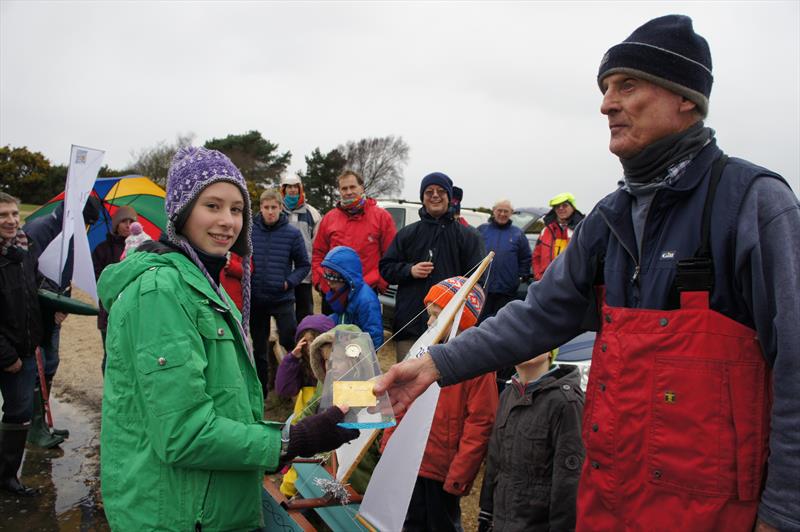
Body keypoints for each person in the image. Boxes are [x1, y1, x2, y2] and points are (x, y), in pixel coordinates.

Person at [375, 15, 800, 532]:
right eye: (604, 89)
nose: (606, 104)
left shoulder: (753, 206)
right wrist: (435, 364)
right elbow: (535, 317)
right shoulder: (609, 219)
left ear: (685, 96)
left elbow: (796, 368)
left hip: (711, 515)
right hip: (608, 506)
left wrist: (783, 513)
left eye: (626, 85)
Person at [96, 146, 358, 531]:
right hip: (178, 513)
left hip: (214, 498)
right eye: (213, 206)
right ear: (182, 212)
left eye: (237, 210)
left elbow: (226, 401)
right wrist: (290, 440)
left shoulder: (205, 282)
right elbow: (183, 432)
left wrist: (300, 427)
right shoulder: (160, 292)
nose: (227, 221)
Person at [382, 277, 497, 531]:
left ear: (458, 318)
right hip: (410, 460)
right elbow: (402, 400)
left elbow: (480, 422)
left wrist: (460, 474)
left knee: (441, 524)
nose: (430, 321)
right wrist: (389, 441)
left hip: (442, 469)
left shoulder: (477, 366)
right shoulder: (423, 352)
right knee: (409, 521)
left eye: (437, 315)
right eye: (430, 314)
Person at [379, 172, 486, 361]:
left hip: (449, 332)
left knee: (444, 386)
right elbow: (386, 268)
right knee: (406, 384)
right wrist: (409, 270)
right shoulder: (407, 234)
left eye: (440, 191)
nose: (435, 195)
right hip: (409, 327)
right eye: (429, 192)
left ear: (449, 197)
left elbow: (478, 281)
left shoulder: (468, 236)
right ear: (422, 198)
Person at [22, 196, 101, 446]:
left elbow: (64, 275)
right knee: (37, 367)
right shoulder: (39, 230)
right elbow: (30, 276)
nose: (86, 229)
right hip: (34, 314)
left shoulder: (71, 235)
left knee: (51, 363)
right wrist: (53, 304)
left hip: (53, 314)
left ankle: (43, 422)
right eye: (86, 223)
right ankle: (32, 428)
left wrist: (63, 303)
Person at [478, 350, 584, 531]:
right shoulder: (508, 395)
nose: (528, 345)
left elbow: (569, 482)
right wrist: (486, 511)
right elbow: (495, 460)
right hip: (502, 522)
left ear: (551, 351)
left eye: (537, 339)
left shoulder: (566, 402)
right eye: (521, 339)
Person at [0, 192, 44, 495]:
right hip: (7, 353)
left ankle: (6, 477)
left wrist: (55, 307)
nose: (12, 220)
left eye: (15, 214)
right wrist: (5, 355)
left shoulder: (24, 250)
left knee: (19, 414)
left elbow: (33, 290)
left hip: (25, 350)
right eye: (3, 215)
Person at [250, 188, 310, 397]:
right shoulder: (249, 230)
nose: (270, 212)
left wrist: (288, 283)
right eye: (266, 208)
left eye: (274, 207)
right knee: (259, 348)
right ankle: (262, 392)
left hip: (282, 297)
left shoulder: (292, 233)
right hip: (257, 299)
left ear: (280, 207)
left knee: (289, 340)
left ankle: (300, 385)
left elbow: (304, 264)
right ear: (260, 208)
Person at [312, 170, 396, 308]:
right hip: (333, 294)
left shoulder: (382, 217)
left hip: (366, 293)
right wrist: (322, 284)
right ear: (339, 191)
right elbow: (318, 254)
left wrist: (379, 284)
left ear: (362, 187)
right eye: (344, 188)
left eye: (352, 187)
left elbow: (390, 256)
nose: (349, 192)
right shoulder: (329, 218)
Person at [92, 205, 137, 374]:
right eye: (123, 221)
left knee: (131, 354)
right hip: (108, 311)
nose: (127, 225)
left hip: (134, 310)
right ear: (116, 224)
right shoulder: (102, 249)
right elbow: (97, 280)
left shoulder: (142, 248)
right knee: (111, 354)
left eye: (131, 221)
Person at [321, 246, 384, 350]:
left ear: (346, 279)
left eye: (333, 281)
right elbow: (342, 317)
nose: (329, 284)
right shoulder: (344, 293)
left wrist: (358, 355)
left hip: (358, 355)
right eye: (328, 280)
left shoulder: (366, 300)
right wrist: (323, 323)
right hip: (344, 348)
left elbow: (374, 336)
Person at [478, 199, 532, 319]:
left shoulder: (518, 234)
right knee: (480, 323)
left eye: (506, 211)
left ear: (511, 213)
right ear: (494, 211)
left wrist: (520, 277)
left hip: (507, 291)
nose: (502, 214)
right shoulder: (482, 230)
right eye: (499, 210)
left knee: (501, 324)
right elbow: (473, 253)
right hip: (483, 289)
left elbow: (525, 258)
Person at [281, 174, 322, 324]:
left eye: (295, 187)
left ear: (300, 189)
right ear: (283, 190)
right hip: (283, 275)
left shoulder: (312, 213)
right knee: (284, 314)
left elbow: (317, 245)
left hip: (304, 274)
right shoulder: (277, 212)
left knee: (304, 315)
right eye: (288, 187)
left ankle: (305, 344)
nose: (292, 190)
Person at [275, 314, 336, 401]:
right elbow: (285, 390)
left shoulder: (339, 361)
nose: (309, 346)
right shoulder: (301, 363)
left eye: (313, 340)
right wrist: (292, 359)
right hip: (310, 410)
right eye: (305, 341)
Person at [532, 193, 584, 281]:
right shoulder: (546, 231)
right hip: (546, 283)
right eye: (557, 206)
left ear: (573, 208)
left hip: (571, 285)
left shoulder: (581, 230)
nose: (561, 208)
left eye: (565, 205)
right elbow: (536, 256)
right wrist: (539, 276)